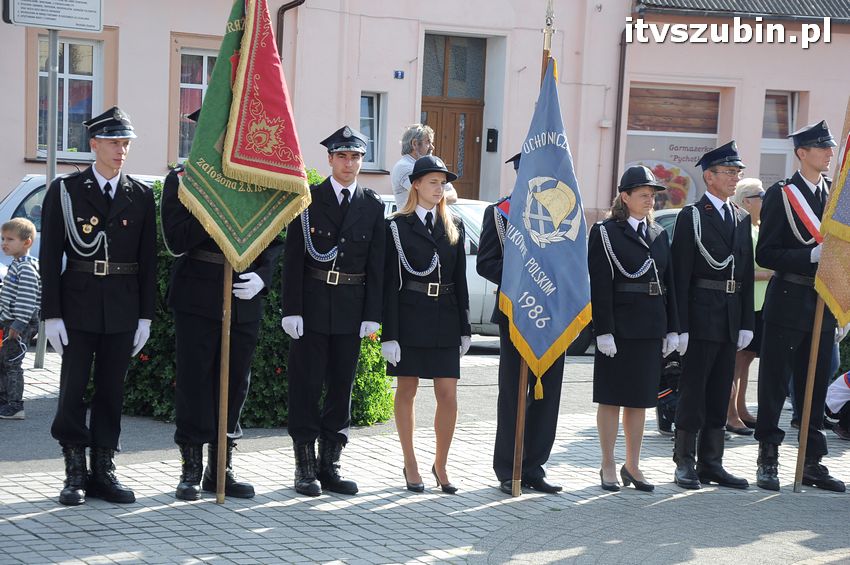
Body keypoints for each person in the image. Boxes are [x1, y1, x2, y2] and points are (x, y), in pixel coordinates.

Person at [161, 108, 283, 501]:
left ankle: (222, 468)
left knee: (236, 383)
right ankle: (191, 469)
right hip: (198, 292)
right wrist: (211, 204)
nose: (221, 139)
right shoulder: (182, 181)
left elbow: (275, 240)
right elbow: (176, 239)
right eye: (215, 130)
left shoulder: (255, 181)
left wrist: (262, 276)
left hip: (242, 292)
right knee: (195, 382)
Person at [40, 106, 156, 505]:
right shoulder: (66, 191)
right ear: (94, 144)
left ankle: (104, 469)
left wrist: (145, 315)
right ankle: (74, 471)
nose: (121, 149)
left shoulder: (140, 195)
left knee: (111, 389)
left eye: (125, 143)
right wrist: (50, 313)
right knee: (73, 388)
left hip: (123, 305)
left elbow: (148, 259)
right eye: (113, 142)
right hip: (78, 302)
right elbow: (50, 254)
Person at [281, 125, 385, 497]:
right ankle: (305, 466)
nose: (348, 163)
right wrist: (291, 308)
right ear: (329, 159)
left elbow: (377, 264)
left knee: (341, 386)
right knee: (306, 386)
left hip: (350, 308)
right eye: (342, 155)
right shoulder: (308, 199)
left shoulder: (372, 205)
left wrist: (373, 313)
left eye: (355, 156)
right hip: (311, 306)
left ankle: (331, 464)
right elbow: (293, 258)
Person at [754, 120, 846, 492]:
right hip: (789, 298)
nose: (829, 154)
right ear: (801, 154)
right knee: (775, 383)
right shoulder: (782, 194)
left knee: (816, 386)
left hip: (822, 302)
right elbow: (766, 253)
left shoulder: (836, 195)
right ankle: (768, 458)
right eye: (822, 149)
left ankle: (811, 461)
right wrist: (810, 256)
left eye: (831, 148)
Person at [381, 155, 471, 494]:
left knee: (448, 394)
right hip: (410, 316)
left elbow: (460, 279)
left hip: (445, 317)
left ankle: (441, 464)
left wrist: (465, 326)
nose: (439, 188)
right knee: (407, 390)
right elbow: (389, 283)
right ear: (415, 185)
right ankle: (411, 463)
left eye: (443, 182)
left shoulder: (454, 225)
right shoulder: (396, 227)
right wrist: (389, 334)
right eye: (433, 182)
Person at [477, 153, 565, 495]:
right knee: (514, 392)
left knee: (548, 393)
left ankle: (534, 466)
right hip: (517, 310)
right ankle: (508, 468)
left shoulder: (561, 214)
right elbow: (486, 263)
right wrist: (522, 280)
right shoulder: (500, 213)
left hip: (553, 313)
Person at [588, 166, 679, 492]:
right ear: (624, 197)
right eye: (643, 195)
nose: (649, 200)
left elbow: (669, 285)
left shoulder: (658, 234)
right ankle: (608, 463)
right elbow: (600, 285)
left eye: (652, 195)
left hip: (650, 326)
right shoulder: (606, 232)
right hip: (620, 328)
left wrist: (673, 328)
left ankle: (633, 464)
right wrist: (603, 330)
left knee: (640, 401)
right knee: (612, 399)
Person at [670, 141, 754, 490]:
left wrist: (747, 322)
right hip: (701, 313)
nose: (735, 178)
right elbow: (679, 275)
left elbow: (746, 274)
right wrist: (680, 326)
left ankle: (712, 462)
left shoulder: (740, 217)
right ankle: (684, 462)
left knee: (721, 390)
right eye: (729, 172)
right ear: (709, 176)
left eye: (737, 173)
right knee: (694, 390)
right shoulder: (692, 216)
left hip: (730, 315)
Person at [725, 178, 769, 436]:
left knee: (747, 360)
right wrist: (771, 274)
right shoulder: (741, 228)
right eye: (758, 195)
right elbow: (741, 270)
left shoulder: (759, 227)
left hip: (762, 302)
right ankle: (729, 412)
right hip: (748, 301)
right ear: (746, 201)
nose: (763, 200)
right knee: (737, 361)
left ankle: (740, 408)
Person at [0, 218, 41, 420]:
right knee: (3, 360)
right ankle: (4, 400)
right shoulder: (17, 265)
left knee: (12, 363)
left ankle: (15, 405)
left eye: (10, 239)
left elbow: (27, 299)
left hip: (18, 324)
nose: (4, 243)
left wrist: (17, 325)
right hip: (9, 322)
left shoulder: (25, 268)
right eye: (3, 239)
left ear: (27, 242)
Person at [390, 124, 458, 208]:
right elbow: (425, 196)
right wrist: (441, 195)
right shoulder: (404, 167)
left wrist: (436, 195)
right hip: (411, 220)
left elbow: (453, 196)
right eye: (428, 142)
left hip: (431, 219)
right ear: (415, 144)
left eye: (442, 182)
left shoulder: (430, 166)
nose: (432, 147)